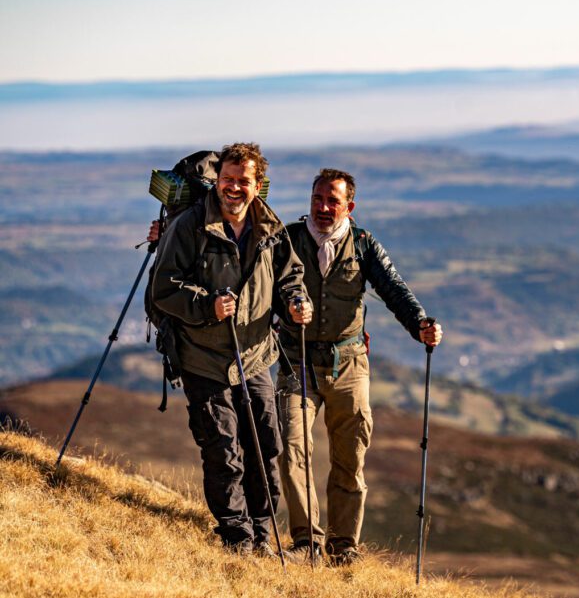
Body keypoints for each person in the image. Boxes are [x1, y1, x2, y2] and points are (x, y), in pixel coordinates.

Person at [149, 142, 312, 556]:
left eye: (243, 181)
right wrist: (206, 305)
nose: (233, 188)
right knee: (222, 449)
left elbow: (289, 276)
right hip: (203, 358)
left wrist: (295, 301)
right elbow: (163, 289)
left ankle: (263, 530)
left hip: (255, 356)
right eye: (227, 180)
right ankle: (236, 536)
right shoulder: (189, 226)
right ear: (217, 181)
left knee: (264, 443)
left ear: (259, 185)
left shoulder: (270, 229)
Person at [277, 168, 442, 566]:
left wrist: (420, 323)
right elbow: (268, 284)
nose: (322, 207)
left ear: (349, 206)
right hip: (296, 361)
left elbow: (393, 288)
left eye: (332, 200)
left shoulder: (364, 244)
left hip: (349, 363)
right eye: (317, 198)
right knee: (290, 449)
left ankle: (342, 546)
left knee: (350, 456)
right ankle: (306, 542)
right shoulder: (287, 241)